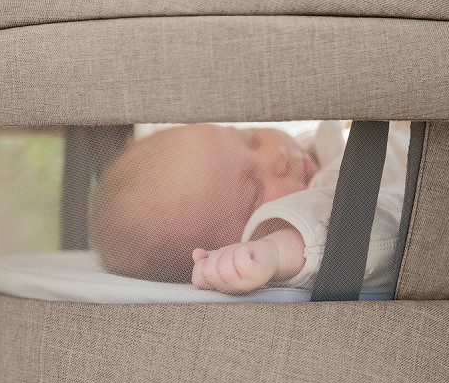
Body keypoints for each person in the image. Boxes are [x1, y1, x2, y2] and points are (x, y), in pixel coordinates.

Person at [90, 121, 409, 297]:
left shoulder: (322, 144)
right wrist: (278, 250)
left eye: (251, 139)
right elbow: (365, 232)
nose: (279, 160)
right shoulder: (332, 195)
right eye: (255, 190)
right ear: (236, 247)